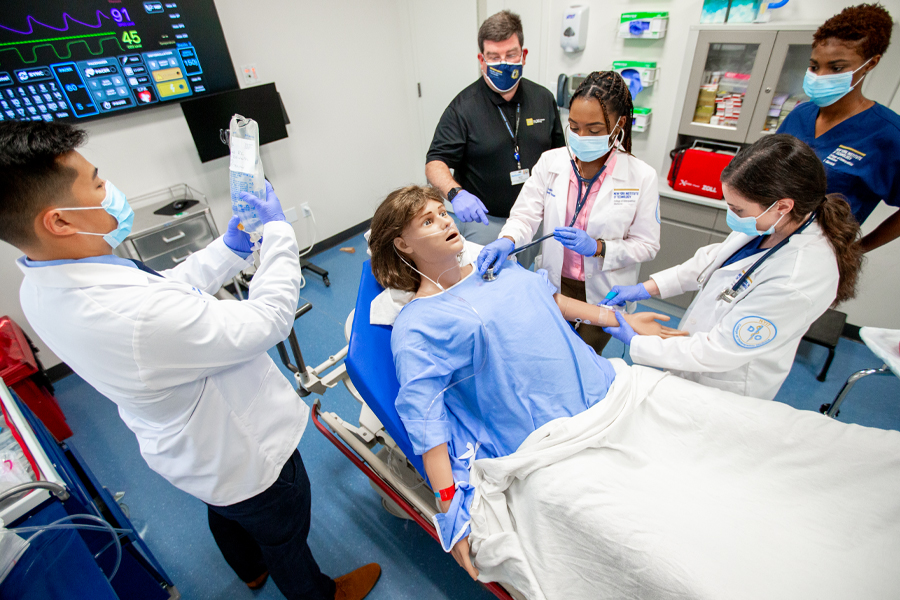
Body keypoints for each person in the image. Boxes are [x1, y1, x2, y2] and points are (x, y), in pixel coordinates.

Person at [0, 121, 380, 600]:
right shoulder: (130, 314)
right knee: (282, 532)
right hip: (242, 451)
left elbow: (164, 292)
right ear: (59, 221)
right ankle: (316, 594)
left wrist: (229, 248)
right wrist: (281, 234)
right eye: (96, 182)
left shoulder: (41, 281)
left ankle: (249, 569)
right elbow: (268, 321)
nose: (108, 189)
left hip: (191, 449)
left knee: (225, 508)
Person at [366, 185, 683, 580]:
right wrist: (448, 504)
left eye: (442, 212)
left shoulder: (493, 265)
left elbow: (548, 298)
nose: (445, 220)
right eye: (427, 221)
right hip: (552, 438)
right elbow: (425, 418)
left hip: (611, 391)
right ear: (402, 244)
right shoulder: (418, 323)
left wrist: (618, 320)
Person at [601, 134, 863, 400]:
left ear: (782, 206)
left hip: (728, 383)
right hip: (700, 352)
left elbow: (719, 351)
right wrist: (645, 289)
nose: (732, 216)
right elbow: (712, 262)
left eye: (738, 210)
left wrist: (637, 342)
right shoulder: (773, 223)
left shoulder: (796, 279)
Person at [477, 71, 660, 354]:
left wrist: (599, 248)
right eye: (574, 127)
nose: (581, 136)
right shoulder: (551, 162)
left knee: (584, 357)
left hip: (604, 289)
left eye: (595, 129)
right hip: (555, 281)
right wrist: (508, 239)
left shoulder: (641, 177)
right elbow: (525, 214)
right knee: (550, 352)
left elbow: (647, 245)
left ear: (619, 124)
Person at [425, 9, 565, 268]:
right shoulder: (463, 108)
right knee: (486, 287)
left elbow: (561, 156)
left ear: (523, 55)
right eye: (494, 56)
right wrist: (456, 193)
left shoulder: (543, 99)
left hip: (535, 218)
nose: (503, 62)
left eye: (510, 54)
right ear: (482, 60)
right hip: (486, 222)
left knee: (529, 279)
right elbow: (435, 162)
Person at [777, 3, 899, 253]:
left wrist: (856, 250)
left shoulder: (888, 134)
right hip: (760, 240)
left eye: (836, 68)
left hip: (816, 257)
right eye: (814, 66)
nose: (820, 77)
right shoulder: (801, 114)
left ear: (870, 64)